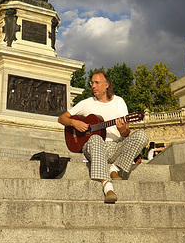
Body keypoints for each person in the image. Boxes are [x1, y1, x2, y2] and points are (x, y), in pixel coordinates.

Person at [58, 70, 149, 204]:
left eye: (97, 83)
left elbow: (126, 134)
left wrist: (122, 129)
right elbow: (61, 118)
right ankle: (107, 186)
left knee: (142, 135)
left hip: (116, 147)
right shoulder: (86, 103)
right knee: (96, 139)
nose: (93, 86)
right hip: (95, 147)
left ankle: (115, 168)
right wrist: (74, 122)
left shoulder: (119, 102)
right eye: (92, 83)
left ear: (106, 85)